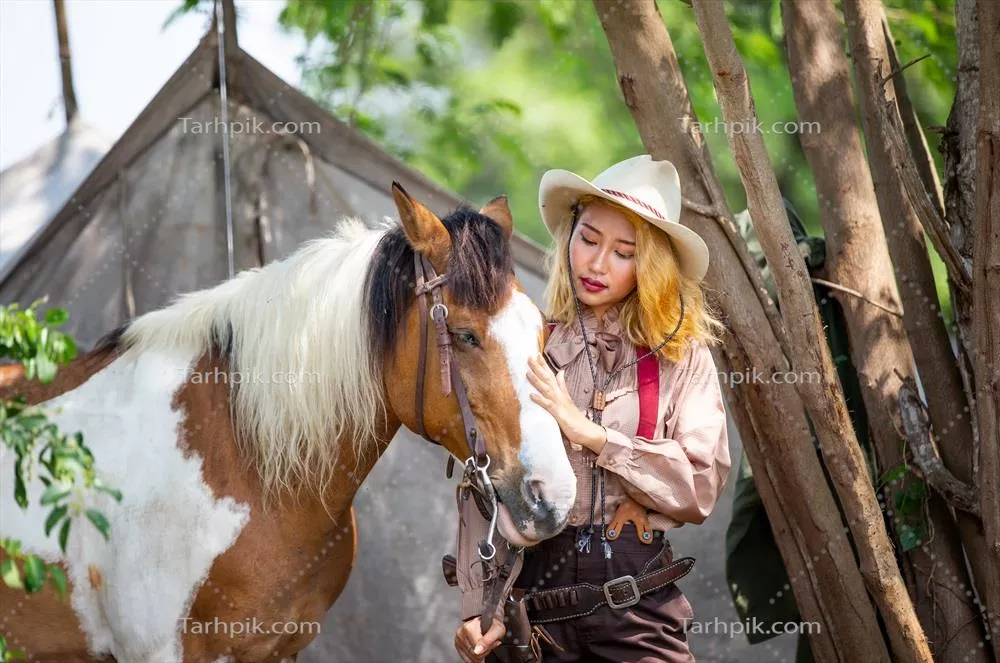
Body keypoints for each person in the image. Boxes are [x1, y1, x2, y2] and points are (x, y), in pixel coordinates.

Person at [452, 155, 732, 662]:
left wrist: (598, 439)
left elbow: (701, 481)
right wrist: (478, 604)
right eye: (588, 239)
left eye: (624, 252)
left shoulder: (681, 356)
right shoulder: (531, 339)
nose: (598, 264)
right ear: (569, 239)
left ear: (651, 266)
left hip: (638, 611)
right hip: (534, 613)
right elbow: (485, 478)